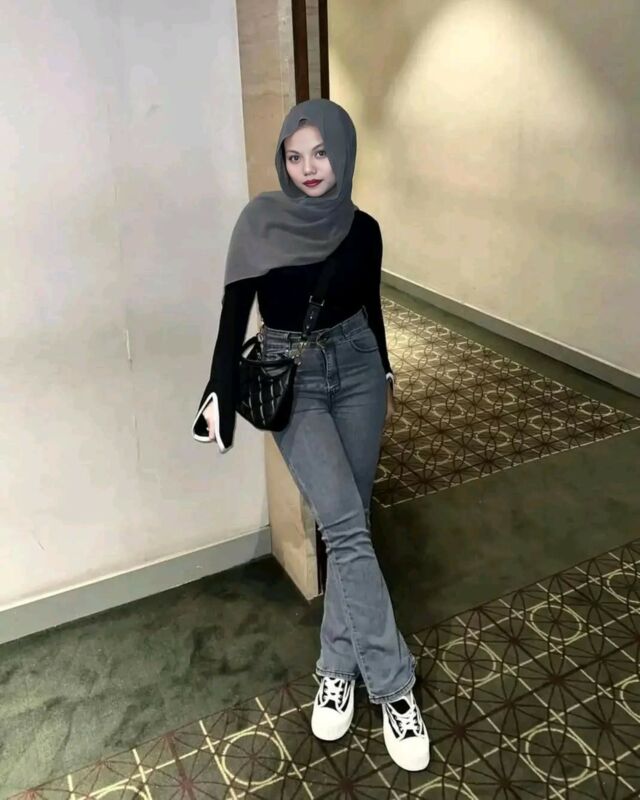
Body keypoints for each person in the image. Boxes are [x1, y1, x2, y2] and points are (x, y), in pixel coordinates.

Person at [191, 98, 430, 771]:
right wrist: (217, 392)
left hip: (358, 370)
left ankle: (336, 666)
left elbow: (371, 306)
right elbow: (233, 315)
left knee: (350, 523)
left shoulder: (364, 230)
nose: (308, 168)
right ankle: (396, 688)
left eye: (320, 152)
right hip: (291, 378)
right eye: (294, 156)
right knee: (346, 527)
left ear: (343, 153)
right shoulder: (259, 223)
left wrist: (385, 369)